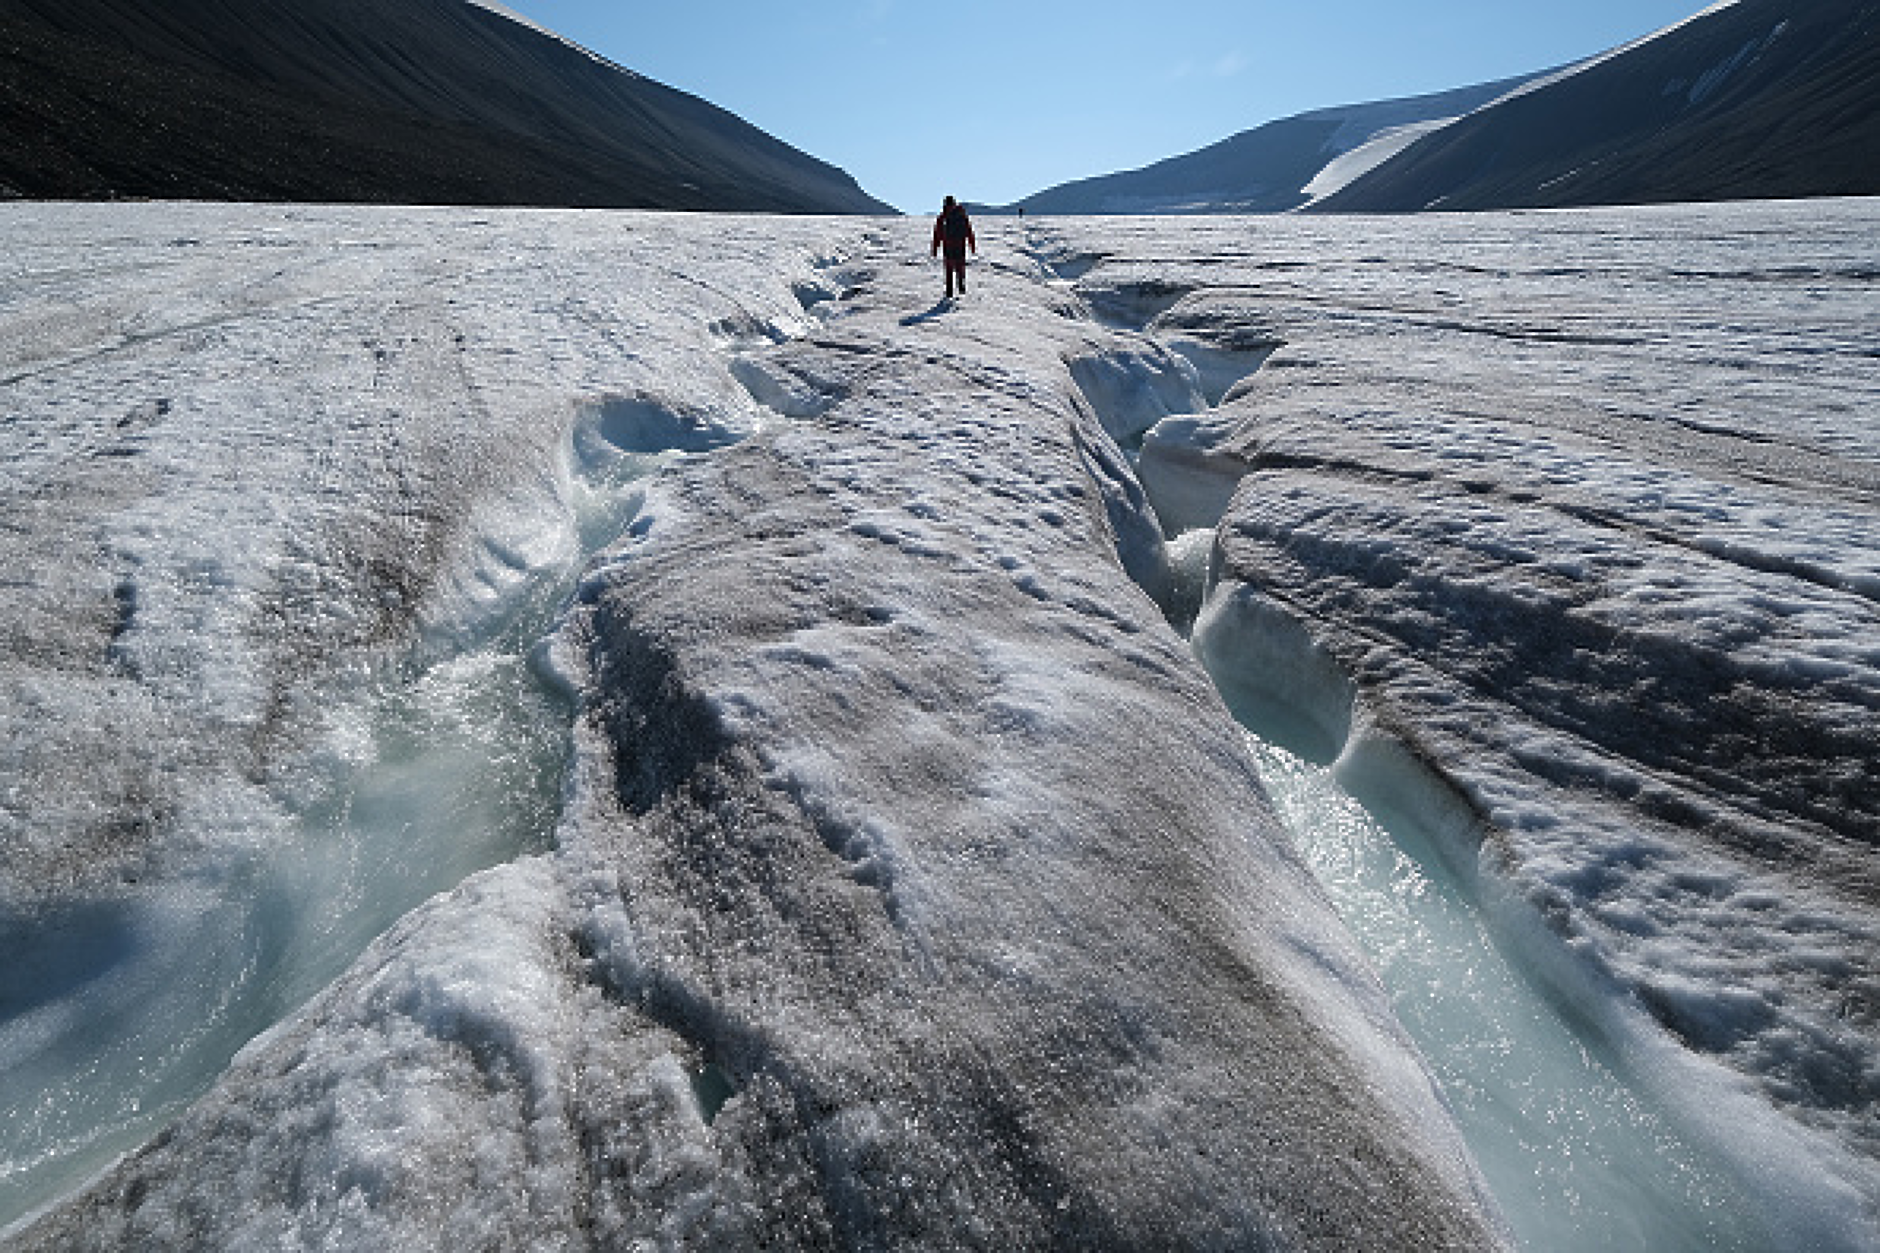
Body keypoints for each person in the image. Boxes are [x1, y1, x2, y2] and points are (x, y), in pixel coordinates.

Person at [931, 195, 976, 299]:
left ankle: (951, 292)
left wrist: (935, 248)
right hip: (959, 246)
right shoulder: (961, 216)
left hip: (949, 247)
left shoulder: (943, 218)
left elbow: (937, 234)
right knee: (959, 268)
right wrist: (971, 245)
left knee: (950, 270)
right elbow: (969, 232)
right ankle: (960, 289)